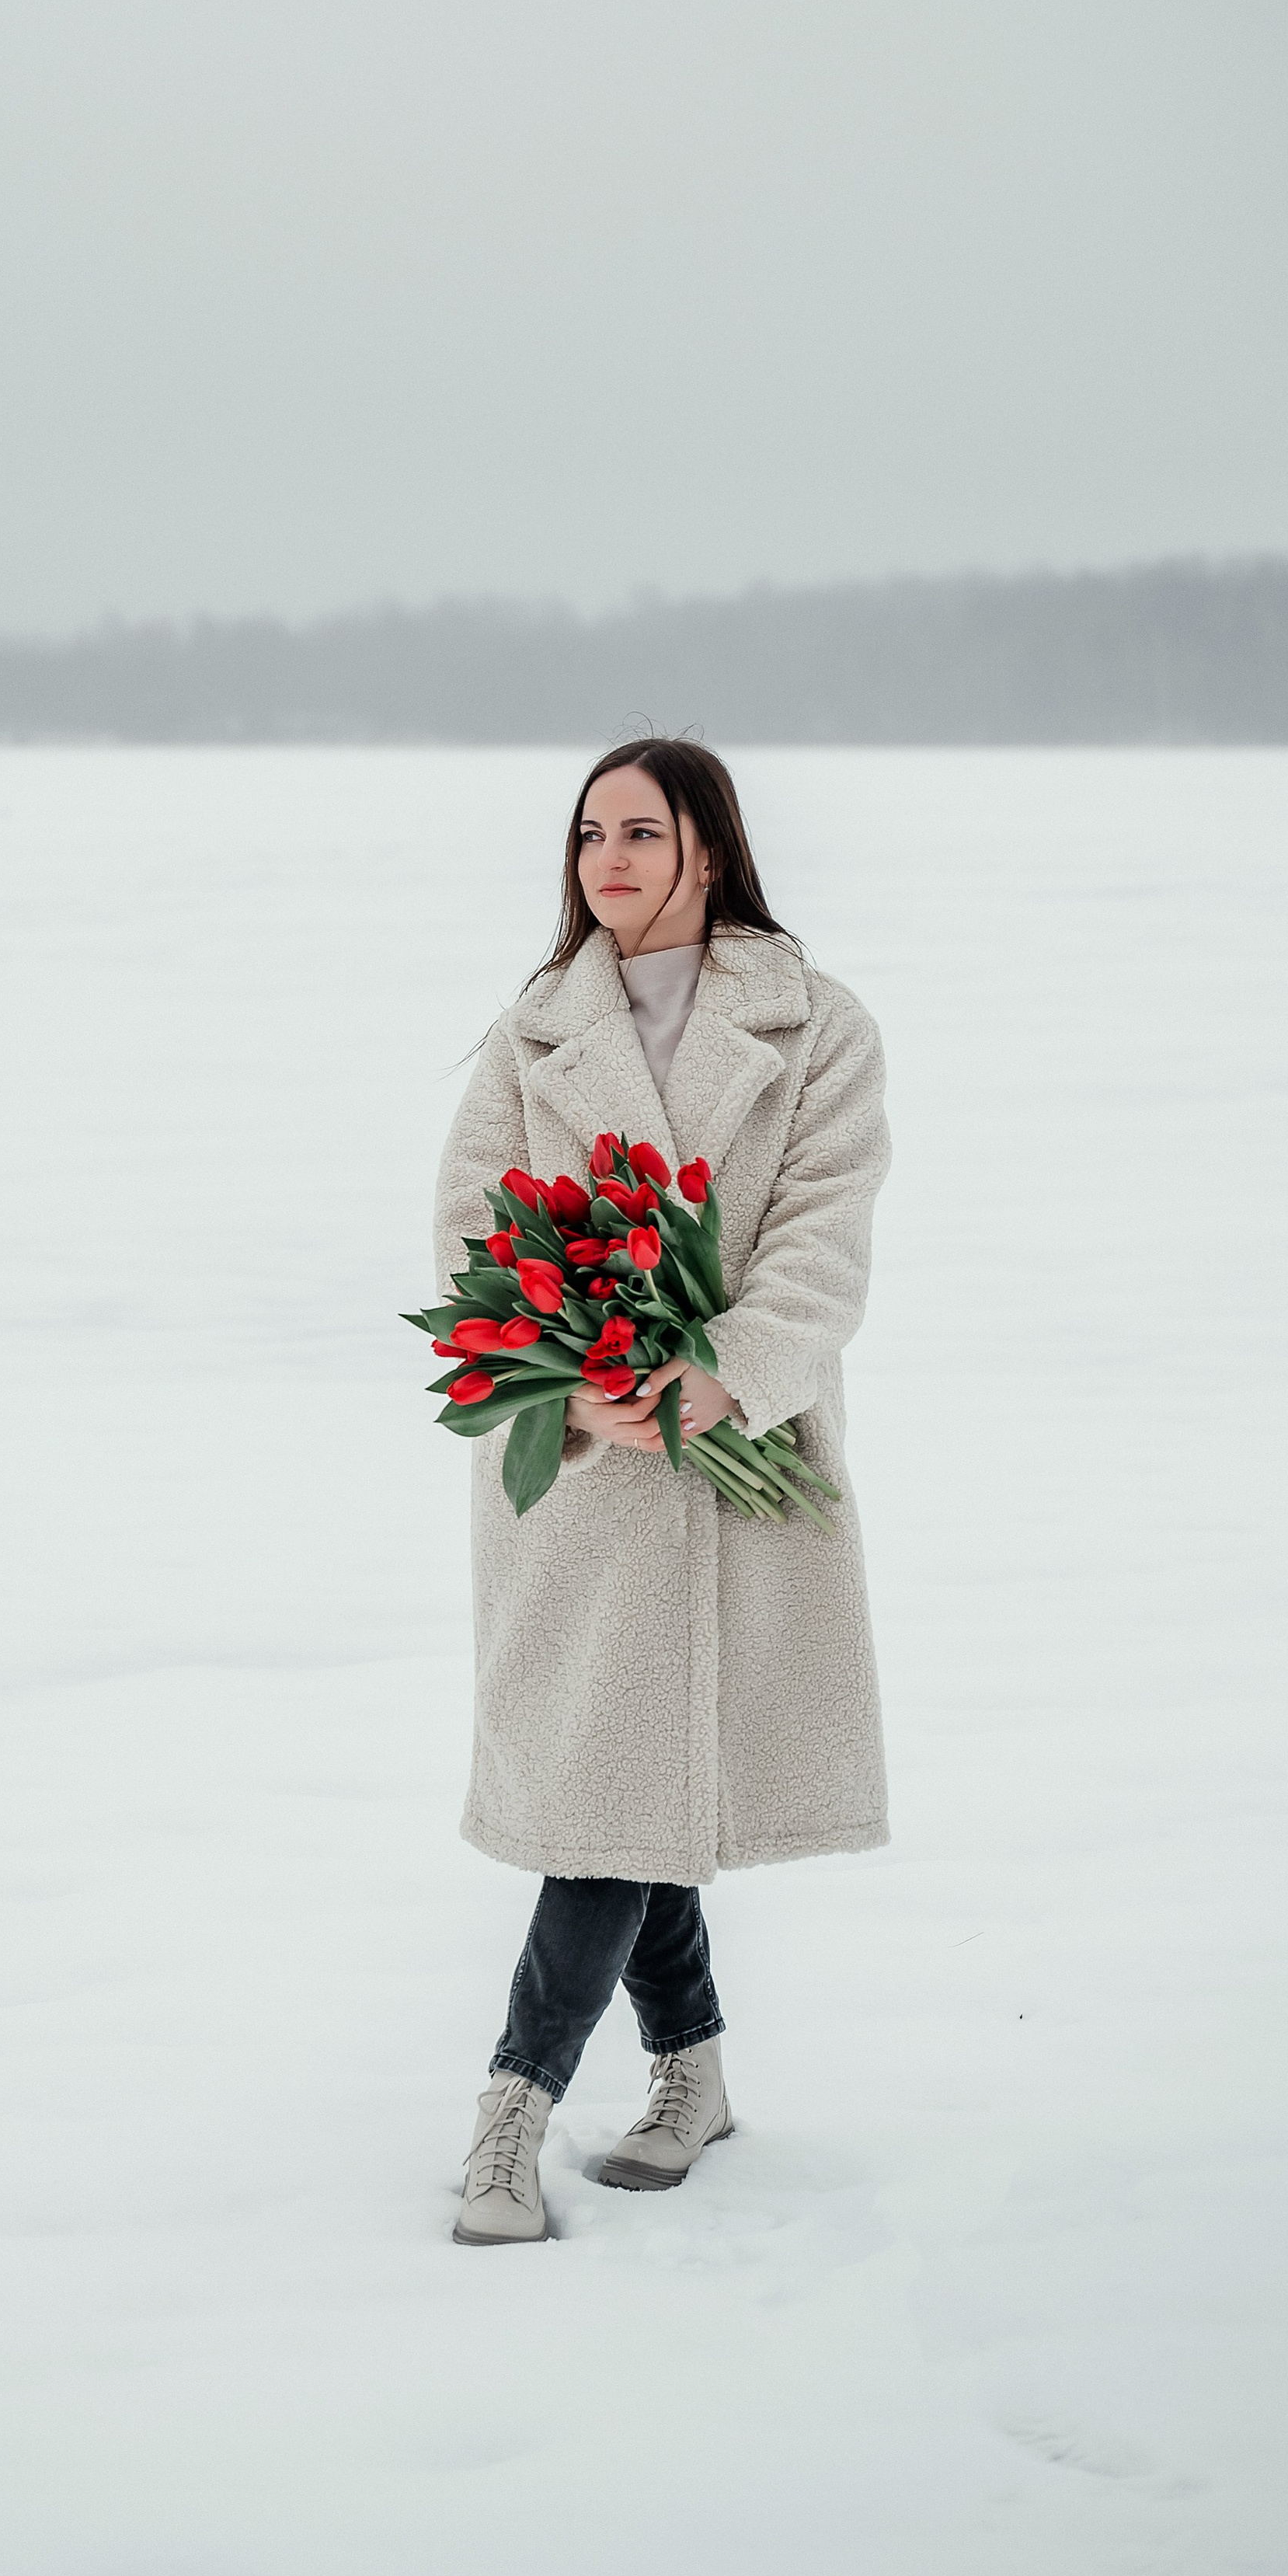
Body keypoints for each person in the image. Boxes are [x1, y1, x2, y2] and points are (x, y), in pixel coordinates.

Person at [435, 737, 891, 2245]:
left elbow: (821, 1245)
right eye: (586, 837)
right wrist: (566, 1386)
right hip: (580, 1480)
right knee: (620, 1789)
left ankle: (512, 2107)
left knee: (625, 1794)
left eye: (641, 830)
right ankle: (685, 2075)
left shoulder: (812, 1028)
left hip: (731, 1464)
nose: (607, 860)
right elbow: (473, 1236)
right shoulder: (534, 1033)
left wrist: (721, 1373)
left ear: (710, 845)